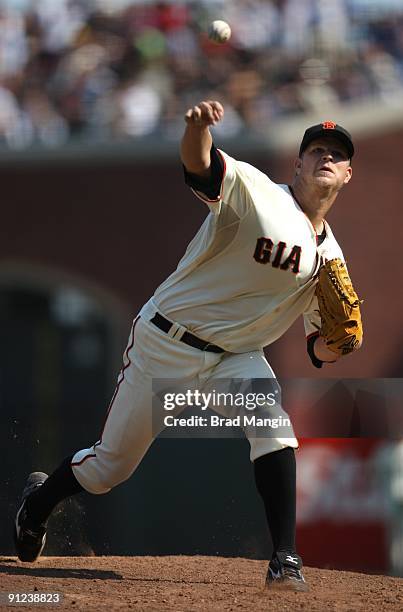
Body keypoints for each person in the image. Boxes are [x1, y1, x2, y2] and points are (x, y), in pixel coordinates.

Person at [14, 100, 358, 592]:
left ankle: (285, 559)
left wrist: (336, 346)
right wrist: (196, 130)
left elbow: (320, 349)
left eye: (336, 153)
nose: (325, 156)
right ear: (297, 163)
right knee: (110, 467)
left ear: (347, 174)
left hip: (235, 358)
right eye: (316, 149)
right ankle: (39, 503)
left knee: (273, 428)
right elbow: (201, 167)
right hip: (166, 341)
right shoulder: (256, 191)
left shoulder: (331, 257)